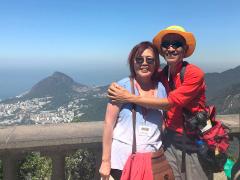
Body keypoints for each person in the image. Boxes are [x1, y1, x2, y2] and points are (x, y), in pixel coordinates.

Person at [108, 26, 213, 180]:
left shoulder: (193, 73)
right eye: (166, 44)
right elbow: (143, 72)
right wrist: (118, 85)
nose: (170, 48)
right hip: (169, 144)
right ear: (162, 51)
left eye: (176, 43)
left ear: (184, 49)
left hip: (193, 145)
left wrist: (128, 97)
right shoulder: (164, 74)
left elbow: (171, 103)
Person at [99, 41, 167, 180]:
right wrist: (105, 161)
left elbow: (163, 120)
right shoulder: (121, 87)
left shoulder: (160, 88)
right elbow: (108, 124)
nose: (144, 63)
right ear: (132, 62)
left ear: (156, 64)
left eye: (150, 60)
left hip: (153, 160)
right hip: (123, 162)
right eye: (139, 59)